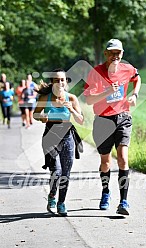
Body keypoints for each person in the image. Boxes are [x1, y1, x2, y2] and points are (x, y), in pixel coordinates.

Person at [84, 39, 141, 215]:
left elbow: (137, 78)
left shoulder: (127, 69)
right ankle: (106, 192)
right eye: (112, 53)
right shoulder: (96, 72)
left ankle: (124, 201)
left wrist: (135, 94)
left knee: (123, 158)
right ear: (106, 54)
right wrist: (106, 92)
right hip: (102, 120)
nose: (115, 56)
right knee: (105, 161)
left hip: (123, 117)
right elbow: (88, 100)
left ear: (122, 54)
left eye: (118, 52)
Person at [33, 68, 84, 216]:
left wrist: (72, 111)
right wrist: (42, 117)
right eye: (57, 80)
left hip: (68, 136)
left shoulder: (72, 98)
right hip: (50, 135)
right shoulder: (45, 98)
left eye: (62, 80)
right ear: (52, 82)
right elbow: (36, 114)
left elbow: (81, 120)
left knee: (65, 173)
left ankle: (62, 203)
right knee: (56, 171)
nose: (60, 82)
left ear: (66, 82)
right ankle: (52, 197)